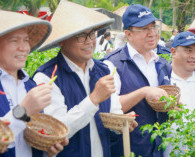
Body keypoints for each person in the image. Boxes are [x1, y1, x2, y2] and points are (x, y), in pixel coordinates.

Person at [33, 1, 137, 157]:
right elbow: (56, 132)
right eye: (81, 36)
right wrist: (94, 98)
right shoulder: (48, 76)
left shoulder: (104, 70)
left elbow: (112, 111)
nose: (89, 41)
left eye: (91, 34)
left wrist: (121, 122)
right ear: (62, 40)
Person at [104, 4, 172, 157]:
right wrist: (143, 92)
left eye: (153, 26)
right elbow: (107, 108)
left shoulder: (163, 64)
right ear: (128, 34)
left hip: (159, 150)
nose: (152, 33)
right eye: (144, 29)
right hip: (129, 149)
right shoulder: (113, 64)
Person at [0, 10, 68, 157]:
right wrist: (23, 110)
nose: (24, 48)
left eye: (26, 40)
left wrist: (47, 147)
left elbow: (30, 135)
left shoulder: (30, 85)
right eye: (14, 40)